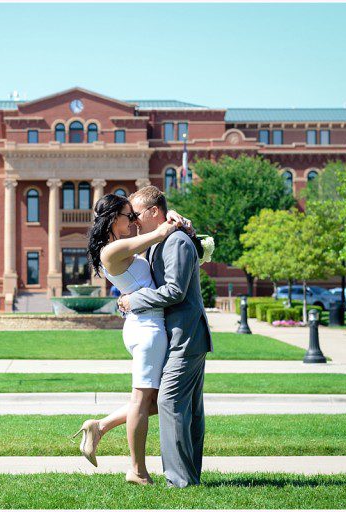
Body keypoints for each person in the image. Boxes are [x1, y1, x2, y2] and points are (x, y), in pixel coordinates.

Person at [76, 192, 189, 485]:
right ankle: (137, 471)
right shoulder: (111, 251)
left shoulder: (119, 246)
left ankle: (99, 426)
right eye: (129, 216)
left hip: (144, 325)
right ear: (114, 219)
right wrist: (170, 215)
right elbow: (161, 231)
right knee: (141, 401)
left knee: (157, 402)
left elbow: (158, 230)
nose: (134, 220)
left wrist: (169, 211)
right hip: (147, 329)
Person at [118, 186, 212, 488]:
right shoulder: (162, 241)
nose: (133, 221)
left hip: (187, 335)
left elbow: (175, 291)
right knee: (188, 409)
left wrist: (135, 300)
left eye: (136, 215)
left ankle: (179, 481)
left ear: (154, 212)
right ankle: (188, 478)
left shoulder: (177, 242)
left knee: (171, 402)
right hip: (179, 336)